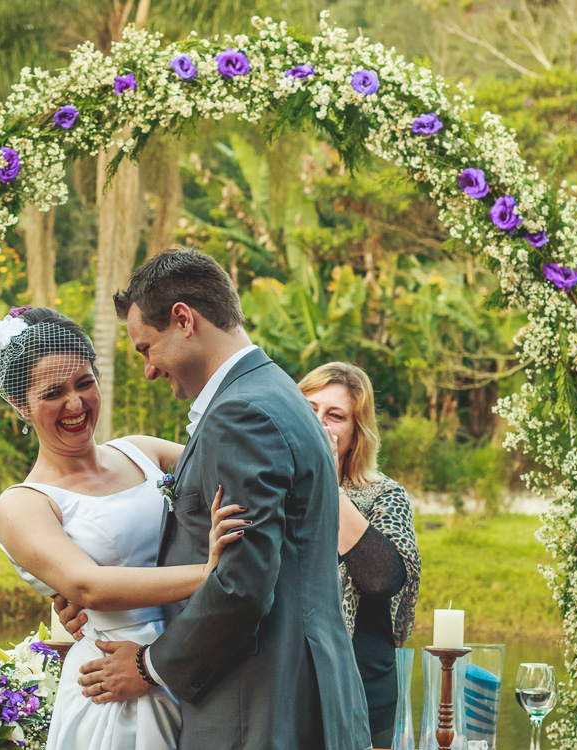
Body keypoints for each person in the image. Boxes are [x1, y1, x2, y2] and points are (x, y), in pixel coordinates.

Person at [66, 249, 371, 750]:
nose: (148, 370)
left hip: (260, 705)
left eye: (147, 348)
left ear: (184, 319)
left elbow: (242, 583)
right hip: (304, 690)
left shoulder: (241, 414)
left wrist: (149, 665)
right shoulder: (276, 391)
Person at [0, 306, 250, 750]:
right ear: (20, 405)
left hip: (194, 658)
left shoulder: (141, 451)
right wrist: (209, 574)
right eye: (53, 392)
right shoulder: (22, 504)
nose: (75, 404)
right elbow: (89, 587)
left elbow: (235, 466)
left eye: (84, 383)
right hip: (114, 682)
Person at [299, 362, 422, 750]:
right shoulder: (272, 490)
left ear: (355, 435)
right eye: (309, 409)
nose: (319, 422)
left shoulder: (383, 495)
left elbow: (382, 579)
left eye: (335, 416)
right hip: (288, 688)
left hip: (363, 690)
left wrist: (325, 482)